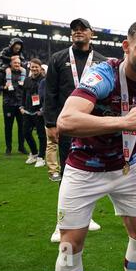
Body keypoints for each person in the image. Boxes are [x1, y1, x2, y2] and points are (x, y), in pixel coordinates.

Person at [54, 19, 136, 271]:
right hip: (83, 170)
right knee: (70, 246)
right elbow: (66, 121)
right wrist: (125, 122)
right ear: (126, 46)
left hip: (127, 169)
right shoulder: (103, 74)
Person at [44, 18, 106, 242]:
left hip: (93, 125)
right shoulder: (58, 58)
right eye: (74, 30)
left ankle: (86, 217)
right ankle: (61, 224)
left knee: (91, 172)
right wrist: (50, 123)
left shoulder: (101, 61)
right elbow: (49, 92)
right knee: (68, 172)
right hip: (68, 124)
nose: (78, 32)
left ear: (92, 33)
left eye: (82, 29)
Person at [0, 56, 28, 155]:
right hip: (8, 104)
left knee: (22, 127)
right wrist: (4, 87)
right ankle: (8, 148)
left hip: (20, 104)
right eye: (15, 63)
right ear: (11, 63)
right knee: (8, 127)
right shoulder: (3, 73)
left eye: (19, 63)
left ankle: (21, 147)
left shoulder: (23, 73)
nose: (17, 65)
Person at [19, 58, 47, 168]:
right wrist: (21, 106)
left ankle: (41, 157)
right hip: (27, 111)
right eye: (32, 66)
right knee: (25, 132)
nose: (34, 68)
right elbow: (24, 94)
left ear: (40, 68)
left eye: (36, 67)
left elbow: (48, 97)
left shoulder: (44, 80)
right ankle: (34, 153)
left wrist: (43, 110)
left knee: (41, 135)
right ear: (30, 67)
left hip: (39, 112)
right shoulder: (27, 80)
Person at [39, 64, 61, 181]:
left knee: (66, 141)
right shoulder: (44, 82)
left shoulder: (61, 80)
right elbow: (44, 98)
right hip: (51, 115)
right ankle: (53, 171)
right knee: (51, 143)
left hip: (63, 115)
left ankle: (65, 168)